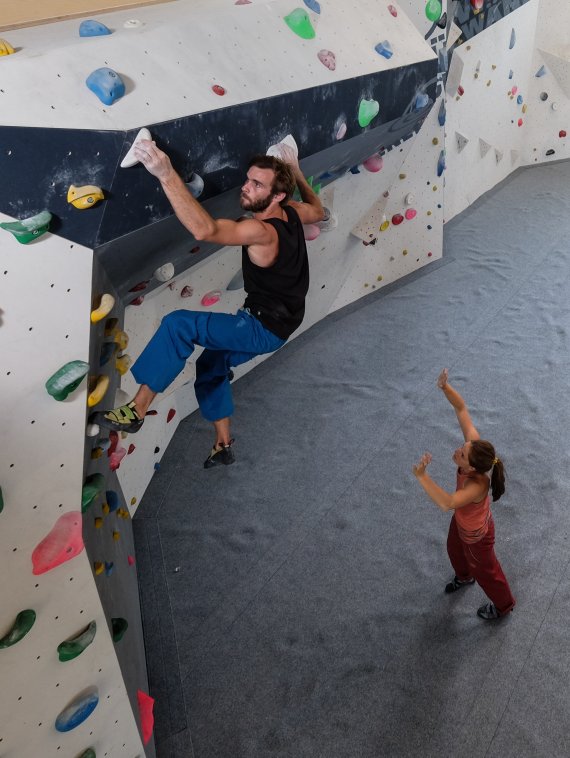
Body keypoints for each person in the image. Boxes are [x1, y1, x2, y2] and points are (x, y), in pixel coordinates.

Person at [94, 139, 324, 467]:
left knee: (178, 324)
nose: (245, 187)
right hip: (282, 324)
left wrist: (165, 173)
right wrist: (298, 170)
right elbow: (317, 209)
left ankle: (137, 410)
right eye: (248, 179)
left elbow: (206, 230)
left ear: (277, 196)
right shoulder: (292, 212)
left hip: (259, 327)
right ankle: (223, 443)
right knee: (210, 365)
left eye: (257, 185)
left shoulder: (260, 231)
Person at [412, 369, 515, 620]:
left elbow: (447, 502)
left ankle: (504, 606)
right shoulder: (475, 448)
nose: (458, 449)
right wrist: (445, 387)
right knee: (453, 549)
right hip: (462, 521)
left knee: (487, 571)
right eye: (462, 446)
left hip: (476, 536)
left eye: (461, 454)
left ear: (470, 468)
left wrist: (423, 477)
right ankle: (464, 576)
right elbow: (462, 410)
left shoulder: (476, 485)